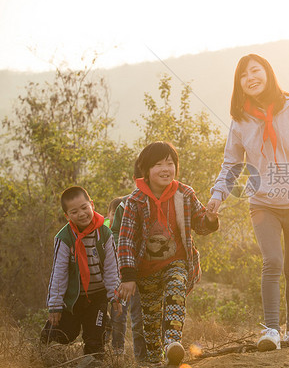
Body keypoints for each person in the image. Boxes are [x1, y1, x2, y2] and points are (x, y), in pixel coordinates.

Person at [207, 54, 289, 351]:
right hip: (263, 203)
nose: (250, 77)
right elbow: (231, 164)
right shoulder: (240, 121)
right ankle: (272, 330)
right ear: (239, 84)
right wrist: (217, 195)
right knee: (272, 261)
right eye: (243, 75)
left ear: (268, 73)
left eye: (255, 71)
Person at [116, 141, 219, 366]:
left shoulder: (184, 193)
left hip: (177, 261)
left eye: (170, 163)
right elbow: (125, 240)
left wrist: (210, 218)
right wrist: (128, 276)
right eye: (158, 165)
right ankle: (156, 359)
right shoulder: (134, 201)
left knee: (175, 292)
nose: (165, 169)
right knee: (151, 322)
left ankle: (172, 343)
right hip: (145, 271)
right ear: (146, 171)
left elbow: (200, 224)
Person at [41, 186, 122, 360]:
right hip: (73, 298)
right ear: (67, 216)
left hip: (97, 296)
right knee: (66, 335)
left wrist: (114, 295)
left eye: (85, 208)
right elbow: (59, 272)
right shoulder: (64, 238)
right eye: (75, 211)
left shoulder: (104, 233)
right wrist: (55, 305)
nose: (82, 214)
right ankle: (49, 332)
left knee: (95, 342)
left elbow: (111, 268)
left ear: (92, 205)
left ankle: (93, 357)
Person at [107, 196, 147, 360]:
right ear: (110, 214)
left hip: (134, 278)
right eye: (114, 215)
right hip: (116, 283)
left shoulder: (132, 231)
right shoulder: (105, 232)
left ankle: (142, 356)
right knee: (118, 316)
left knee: (138, 317)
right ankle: (116, 350)